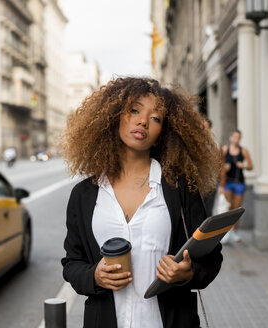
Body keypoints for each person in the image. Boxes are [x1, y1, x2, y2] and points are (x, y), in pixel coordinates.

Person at [61, 77, 223, 328]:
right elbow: (72, 263)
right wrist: (93, 276)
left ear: (160, 135)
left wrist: (187, 273)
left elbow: (211, 259)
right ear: (115, 118)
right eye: (134, 110)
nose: (143, 121)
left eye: (155, 118)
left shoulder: (180, 190)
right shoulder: (84, 195)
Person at [220, 130, 253, 242]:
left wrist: (243, 166)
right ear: (230, 138)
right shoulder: (225, 149)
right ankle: (226, 232)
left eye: (238, 137)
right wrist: (224, 167)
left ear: (240, 139)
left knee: (236, 209)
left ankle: (234, 231)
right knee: (228, 208)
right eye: (234, 137)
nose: (236, 139)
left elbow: (250, 166)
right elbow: (219, 166)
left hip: (239, 182)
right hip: (228, 182)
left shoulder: (243, 151)